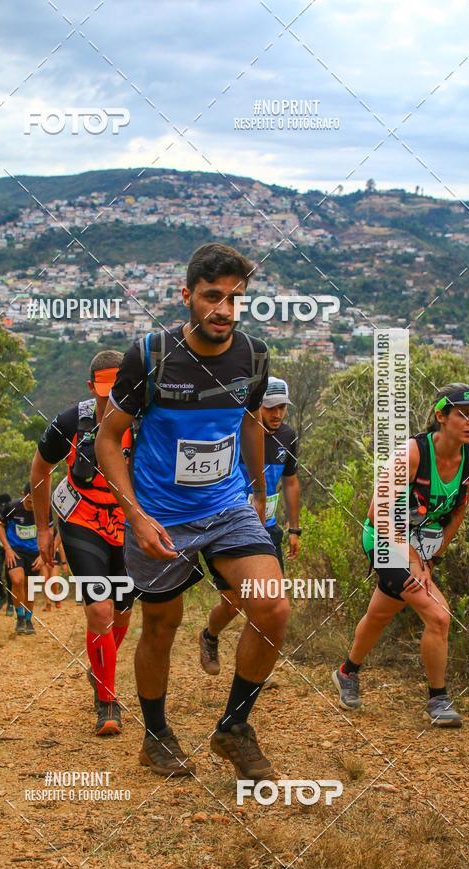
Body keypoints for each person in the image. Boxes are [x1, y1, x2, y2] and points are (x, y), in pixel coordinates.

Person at [96, 242, 290, 779]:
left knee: (272, 607)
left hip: (226, 505)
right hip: (160, 514)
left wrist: (257, 491)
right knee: (161, 625)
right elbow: (108, 438)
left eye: (235, 298)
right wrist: (136, 515)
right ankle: (156, 736)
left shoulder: (253, 355)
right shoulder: (151, 355)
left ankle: (234, 728)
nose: (224, 310)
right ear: (187, 296)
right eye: (212, 296)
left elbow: (249, 419)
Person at [332, 384, 469, 727]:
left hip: (422, 545)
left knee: (381, 612)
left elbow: (458, 511)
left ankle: (347, 672)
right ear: (441, 416)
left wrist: (432, 558)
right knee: (439, 616)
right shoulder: (411, 455)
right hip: (384, 540)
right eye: (463, 414)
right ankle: (438, 699)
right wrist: (414, 560)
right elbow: (377, 514)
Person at [32, 351, 136, 737]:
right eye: (104, 392)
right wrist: (43, 529)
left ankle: (100, 668)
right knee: (100, 608)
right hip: (81, 518)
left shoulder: (141, 421)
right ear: (91, 387)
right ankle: (107, 702)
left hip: (126, 522)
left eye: (118, 391)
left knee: (122, 611)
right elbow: (40, 468)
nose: (111, 400)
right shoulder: (71, 421)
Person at [199, 376, 301, 675]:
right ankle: (209, 635)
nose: (277, 414)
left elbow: (291, 482)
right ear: (256, 406)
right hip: (231, 527)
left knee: (267, 602)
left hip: (267, 529)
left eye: (282, 407)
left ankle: (255, 669)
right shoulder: (237, 432)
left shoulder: (288, 436)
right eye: (270, 407)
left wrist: (294, 529)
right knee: (233, 602)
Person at [0, 484, 46, 635]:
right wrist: (7, 548)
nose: (32, 504)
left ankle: (28, 620)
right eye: (29, 501)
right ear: (23, 494)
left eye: (35, 500)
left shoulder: (43, 509)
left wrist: (43, 556)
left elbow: (49, 532)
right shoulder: (12, 507)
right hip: (15, 551)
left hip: (34, 552)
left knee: (30, 588)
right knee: (17, 581)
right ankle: (20, 617)